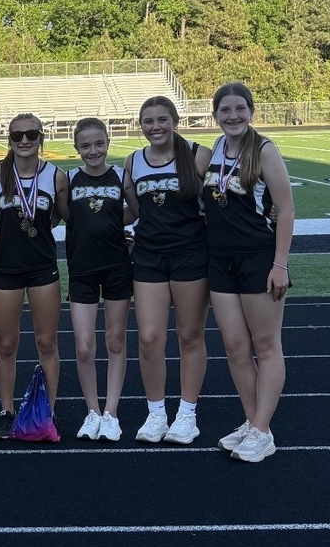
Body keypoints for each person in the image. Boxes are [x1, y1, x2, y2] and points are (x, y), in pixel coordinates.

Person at [204, 82, 294, 463]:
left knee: (267, 346)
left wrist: (280, 265)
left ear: (251, 112)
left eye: (240, 109)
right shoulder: (216, 150)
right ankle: (252, 421)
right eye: (225, 110)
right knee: (235, 347)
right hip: (221, 261)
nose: (233, 116)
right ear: (216, 115)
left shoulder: (265, 149)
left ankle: (262, 429)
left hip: (259, 259)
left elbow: (286, 210)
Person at [123, 97, 212, 445]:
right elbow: (130, 211)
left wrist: (271, 212)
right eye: (148, 121)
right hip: (148, 257)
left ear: (175, 120)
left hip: (191, 255)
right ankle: (156, 412)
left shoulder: (198, 154)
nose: (155, 126)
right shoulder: (132, 161)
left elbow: (227, 194)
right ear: (140, 125)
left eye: (162, 119)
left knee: (190, 336)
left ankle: (187, 414)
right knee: (149, 338)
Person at [0, 113, 65, 440]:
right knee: (6, 345)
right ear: (9, 140)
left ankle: (47, 411)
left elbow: (62, 215)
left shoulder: (55, 176)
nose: (24, 141)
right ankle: (6, 411)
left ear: (41, 137)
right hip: (6, 267)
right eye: (17, 136)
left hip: (43, 267)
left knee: (47, 342)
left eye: (31, 134)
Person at [65, 117, 135, 443]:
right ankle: (92, 411)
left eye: (98, 144)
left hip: (117, 266)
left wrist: (115, 226)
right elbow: (61, 214)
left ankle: (111, 413)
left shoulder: (121, 176)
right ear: (76, 148)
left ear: (107, 143)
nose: (93, 151)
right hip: (82, 269)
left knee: (115, 341)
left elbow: (135, 210)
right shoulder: (68, 178)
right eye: (85, 145)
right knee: (83, 347)